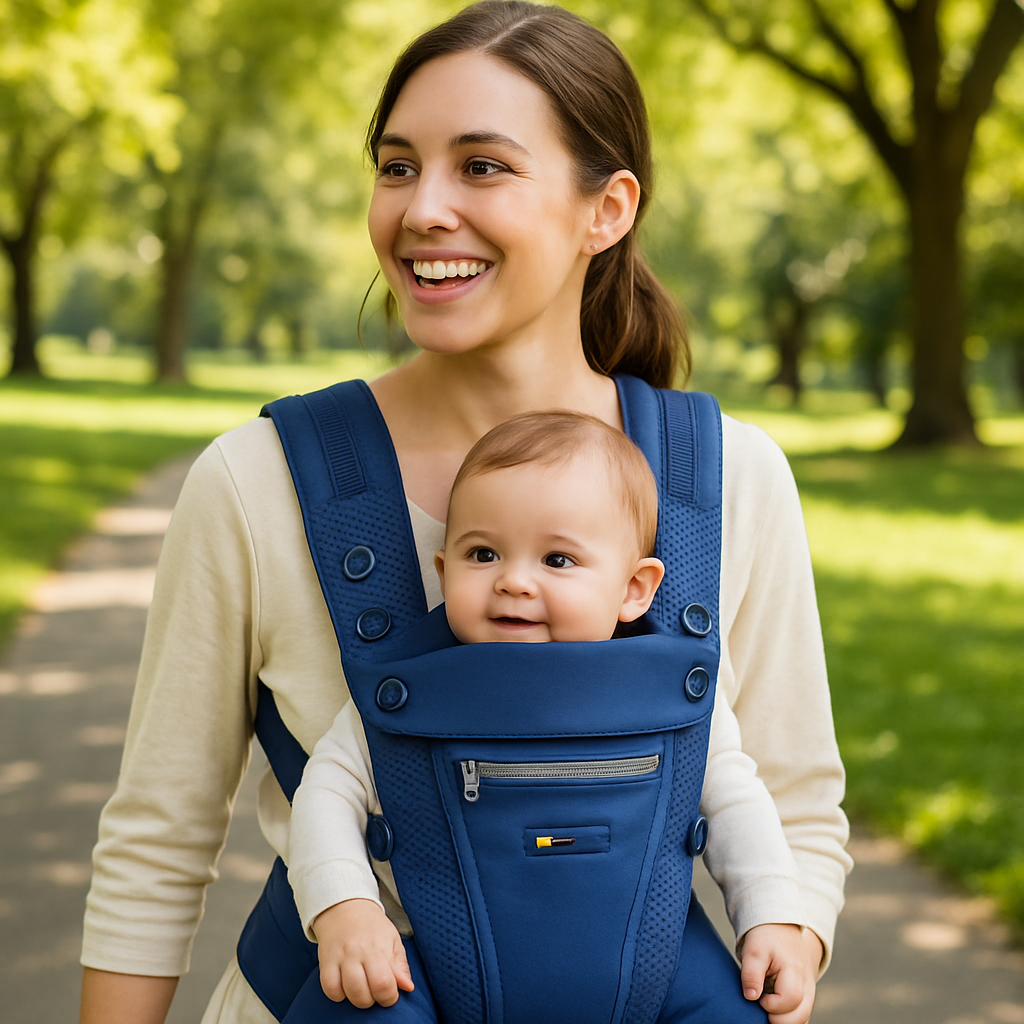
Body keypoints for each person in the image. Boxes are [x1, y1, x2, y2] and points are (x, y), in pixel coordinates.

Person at [79, 4, 851, 1024]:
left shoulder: (730, 484)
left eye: (481, 166)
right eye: (397, 167)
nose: (422, 209)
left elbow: (795, 807)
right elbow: (158, 842)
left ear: (606, 209)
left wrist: (789, 934)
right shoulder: (256, 483)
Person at [287, 409, 813, 1022]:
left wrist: (773, 915)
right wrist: (345, 908)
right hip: (431, 962)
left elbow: (735, 800)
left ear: (634, 589)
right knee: (358, 1002)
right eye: (483, 553)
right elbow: (327, 792)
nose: (513, 581)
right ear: (443, 570)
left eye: (557, 560)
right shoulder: (410, 691)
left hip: (656, 962)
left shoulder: (669, 694)